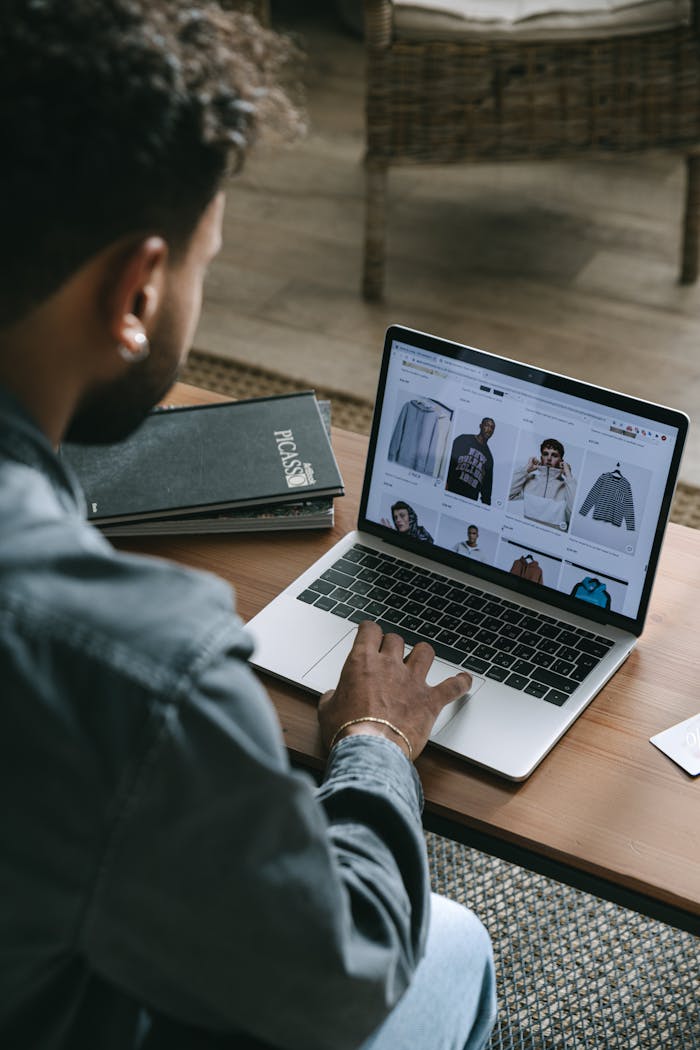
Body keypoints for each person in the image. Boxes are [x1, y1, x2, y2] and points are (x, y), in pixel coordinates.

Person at [0, 4, 496, 1050]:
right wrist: (372, 748)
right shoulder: (125, 664)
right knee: (447, 945)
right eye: (204, 261)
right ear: (138, 289)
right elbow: (341, 974)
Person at [508, 438, 577, 530]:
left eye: (554, 455)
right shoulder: (530, 480)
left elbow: (574, 514)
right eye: (545, 454)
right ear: (541, 458)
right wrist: (526, 469)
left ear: (561, 461)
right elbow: (509, 495)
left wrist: (569, 475)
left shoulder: (566, 487)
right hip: (525, 535)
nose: (549, 458)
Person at [445, 417, 495, 504]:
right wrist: (444, 483)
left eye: (492, 428)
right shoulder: (464, 439)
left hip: (469, 501)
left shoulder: (489, 458)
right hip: (451, 492)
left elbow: (487, 488)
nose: (489, 429)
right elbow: (447, 461)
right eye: (487, 425)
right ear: (480, 426)